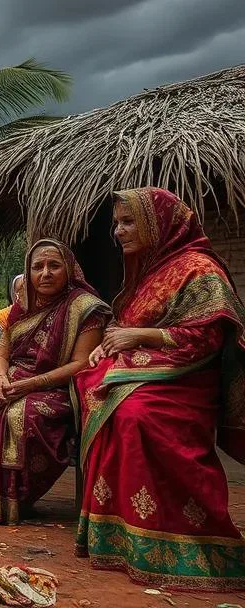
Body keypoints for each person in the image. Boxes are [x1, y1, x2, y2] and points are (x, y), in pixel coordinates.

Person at [74, 188, 245, 590]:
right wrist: (106, 346)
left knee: (136, 414)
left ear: (159, 223)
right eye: (116, 223)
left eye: (128, 222)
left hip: (186, 380)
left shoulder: (200, 269)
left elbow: (208, 338)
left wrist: (139, 337)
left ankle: (191, 543)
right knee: (99, 391)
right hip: (148, 372)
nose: (119, 232)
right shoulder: (146, 271)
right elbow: (124, 328)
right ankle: (120, 539)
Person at [0, 240, 108, 524]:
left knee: (21, 414)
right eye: (37, 267)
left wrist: (29, 385)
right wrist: (0, 378)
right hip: (14, 378)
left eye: (54, 265)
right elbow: (1, 351)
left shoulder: (86, 308)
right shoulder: (23, 304)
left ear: (70, 269)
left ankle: (19, 499)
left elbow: (80, 363)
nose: (45, 273)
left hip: (58, 386)